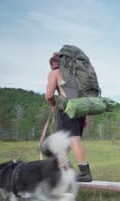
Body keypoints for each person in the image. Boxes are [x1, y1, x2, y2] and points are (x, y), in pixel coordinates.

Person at [45, 52, 93, 182]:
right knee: (65, 142)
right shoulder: (75, 74)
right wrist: (85, 117)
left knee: (72, 140)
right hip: (79, 110)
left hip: (66, 109)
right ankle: (60, 170)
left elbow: (49, 95)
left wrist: (54, 104)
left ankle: (85, 173)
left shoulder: (55, 72)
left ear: (53, 63)